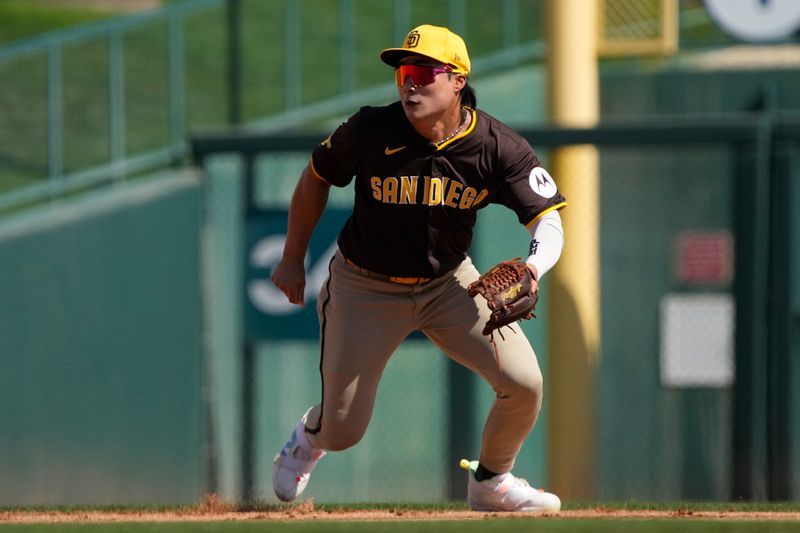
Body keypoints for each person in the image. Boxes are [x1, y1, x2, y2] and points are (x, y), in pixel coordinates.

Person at [270, 24, 566, 512]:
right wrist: (291, 255)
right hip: (365, 285)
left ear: (456, 80)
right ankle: (308, 438)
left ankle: (491, 484)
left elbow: (548, 218)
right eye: (404, 73)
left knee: (524, 384)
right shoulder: (371, 129)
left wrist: (534, 269)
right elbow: (317, 175)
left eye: (423, 72)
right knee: (344, 430)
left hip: (449, 284)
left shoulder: (497, 145)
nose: (410, 83)